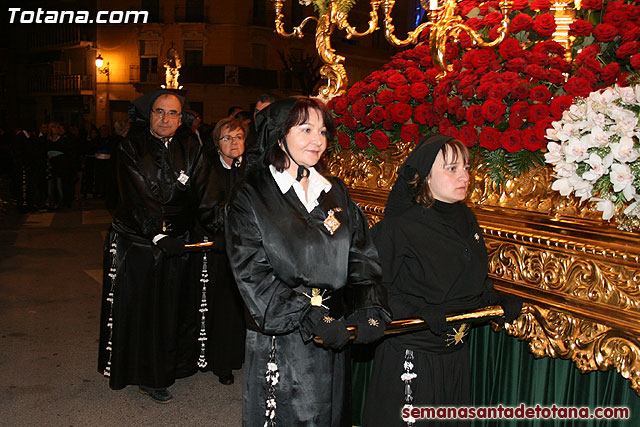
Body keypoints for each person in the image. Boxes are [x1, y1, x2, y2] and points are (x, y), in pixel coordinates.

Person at [225, 97, 391, 427]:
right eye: (306, 130)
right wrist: (309, 317)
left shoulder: (335, 191)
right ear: (278, 134)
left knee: (331, 414)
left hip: (335, 328)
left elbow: (360, 255)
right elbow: (253, 274)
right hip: (283, 336)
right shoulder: (250, 195)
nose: (318, 140)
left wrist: (369, 307)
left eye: (323, 131)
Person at [361, 134, 522, 426]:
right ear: (425, 178)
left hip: (454, 352)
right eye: (452, 168)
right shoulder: (399, 227)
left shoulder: (467, 219)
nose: (464, 175)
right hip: (414, 354)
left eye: (466, 167)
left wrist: (492, 298)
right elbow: (372, 287)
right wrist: (415, 309)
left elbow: (468, 278)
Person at [97, 90, 224, 404]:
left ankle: (174, 365)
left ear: (181, 118)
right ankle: (149, 377)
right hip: (139, 242)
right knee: (147, 313)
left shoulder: (191, 145)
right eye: (160, 112)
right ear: (148, 114)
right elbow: (135, 198)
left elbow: (207, 194)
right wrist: (157, 236)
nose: (166, 119)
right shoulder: (130, 146)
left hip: (177, 242)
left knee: (174, 309)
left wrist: (227, 226)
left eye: (173, 113)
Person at [195, 116, 248, 386]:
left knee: (242, 306)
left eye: (238, 137)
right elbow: (208, 210)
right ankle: (221, 362)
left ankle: (240, 356)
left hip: (245, 247)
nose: (234, 143)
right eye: (227, 138)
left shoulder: (249, 168)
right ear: (217, 143)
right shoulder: (209, 168)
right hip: (216, 248)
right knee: (221, 306)